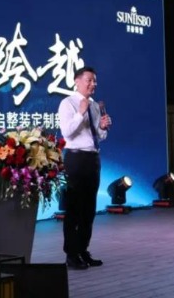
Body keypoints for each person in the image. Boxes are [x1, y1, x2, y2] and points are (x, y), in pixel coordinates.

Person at [58, 66, 112, 270]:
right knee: (74, 208)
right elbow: (67, 133)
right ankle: (71, 254)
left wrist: (103, 128)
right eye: (89, 80)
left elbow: (98, 136)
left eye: (95, 81)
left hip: (92, 158)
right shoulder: (68, 103)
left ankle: (82, 250)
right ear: (77, 81)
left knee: (89, 209)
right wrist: (80, 113)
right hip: (76, 159)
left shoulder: (95, 106)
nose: (93, 84)